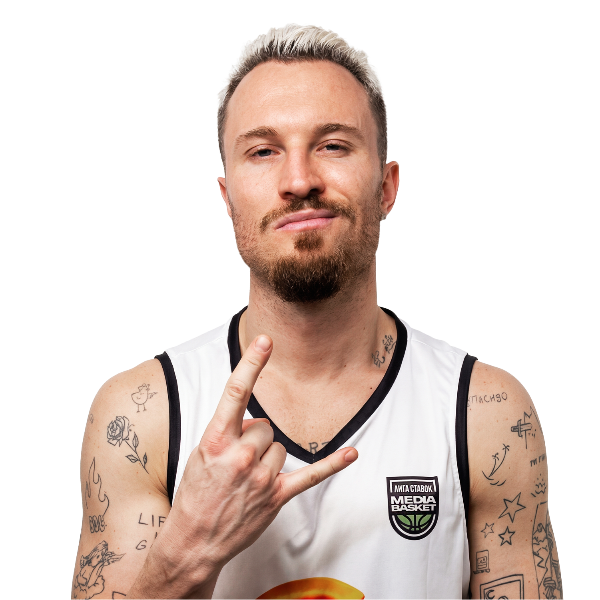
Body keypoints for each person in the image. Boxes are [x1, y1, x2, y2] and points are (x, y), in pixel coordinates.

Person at [72, 20, 562, 600]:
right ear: (228, 199)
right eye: (263, 151)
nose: (299, 180)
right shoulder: (142, 415)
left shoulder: (486, 413)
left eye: (332, 145)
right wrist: (187, 549)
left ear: (387, 186)